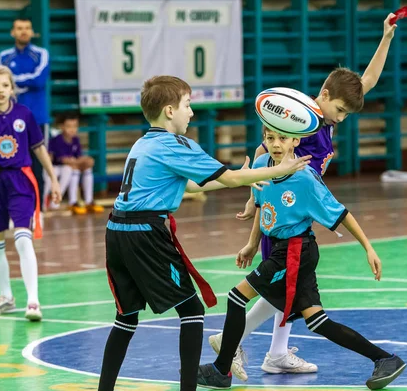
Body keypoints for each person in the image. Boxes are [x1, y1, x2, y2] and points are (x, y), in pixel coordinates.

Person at [208, 13, 398, 380]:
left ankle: (273, 352)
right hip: (283, 214)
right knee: (282, 287)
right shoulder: (300, 124)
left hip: (297, 210)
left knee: (286, 290)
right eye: (340, 110)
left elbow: (367, 81)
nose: (342, 119)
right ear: (324, 95)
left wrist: (386, 38)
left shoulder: (323, 118)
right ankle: (232, 342)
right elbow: (265, 154)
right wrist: (253, 196)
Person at [97, 75, 311, 391]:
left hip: (117, 230)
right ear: (170, 111)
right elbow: (225, 178)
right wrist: (277, 171)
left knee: (126, 317)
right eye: (188, 104)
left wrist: (242, 176)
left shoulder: (144, 143)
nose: (192, 112)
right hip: (145, 232)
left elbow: (199, 182)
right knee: (192, 311)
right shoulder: (176, 144)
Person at [197, 127, 406, 390]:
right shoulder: (263, 165)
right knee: (318, 321)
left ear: (296, 141)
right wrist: (252, 244)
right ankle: (385, 359)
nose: (276, 144)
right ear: (263, 139)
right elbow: (262, 205)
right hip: (283, 249)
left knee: (237, 297)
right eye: (270, 138)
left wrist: (369, 248)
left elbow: (341, 213)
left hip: (295, 251)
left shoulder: (305, 178)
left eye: (282, 138)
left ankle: (221, 370)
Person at [0, 64, 61, 321]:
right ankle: (6, 296)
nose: (1, 90)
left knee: (22, 238)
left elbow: (39, 149)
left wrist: (54, 180)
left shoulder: (24, 114)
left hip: (20, 180)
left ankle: (33, 302)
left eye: (5, 85)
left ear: (12, 88)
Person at [0, 16, 50, 208]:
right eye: (19, 28)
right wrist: (14, 83)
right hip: (10, 120)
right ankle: (15, 206)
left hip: (37, 119)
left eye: (27, 28)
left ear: (32, 32)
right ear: (13, 32)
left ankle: (38, 209)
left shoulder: (41, 54)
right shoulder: (4, 57)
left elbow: (39, 80)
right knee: (11, 165)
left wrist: (14, 82)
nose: (24, 31)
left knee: (38, 165)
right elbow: (1, 82)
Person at [44, 112, 104, 214]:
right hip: (55, 169)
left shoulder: (75, 140)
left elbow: (77, 158)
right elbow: (64, 160)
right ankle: (70, 201)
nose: (72, 129)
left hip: (68, 168)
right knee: (70, 169)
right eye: (69, 126)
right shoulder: (57, 140)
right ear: (62, 127)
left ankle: (89, 201)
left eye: (75, 126)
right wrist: (81, 161)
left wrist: (84, 161)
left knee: (86, 168)